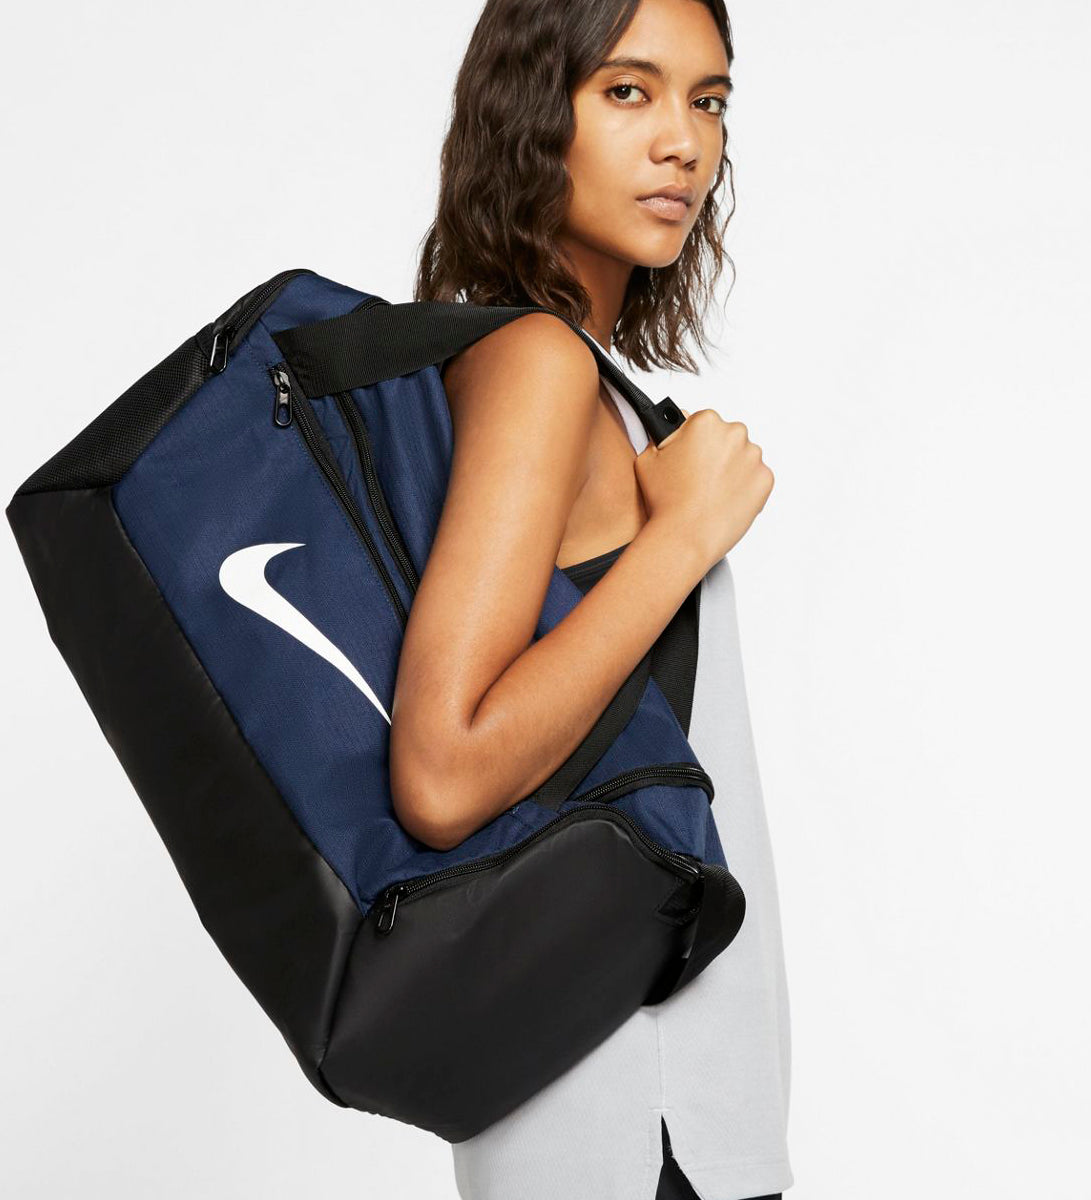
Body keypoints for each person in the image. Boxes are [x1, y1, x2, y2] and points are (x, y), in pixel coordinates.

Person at [390, 0, 793, 1196]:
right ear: (530, 111)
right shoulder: (536, 364)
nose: (682, 142)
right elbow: (442, 773)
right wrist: (686, 537)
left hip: (651, 1110)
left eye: (707, 101)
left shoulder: (576, 372)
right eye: (628, 90)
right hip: (630, 1123)